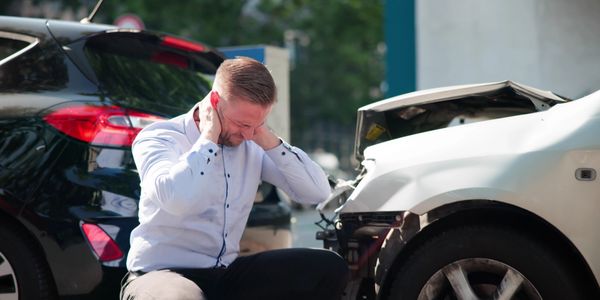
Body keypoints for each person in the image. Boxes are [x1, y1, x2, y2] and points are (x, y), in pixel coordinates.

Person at [120, 57, 349, 300]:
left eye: (258, 123)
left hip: (225, 273)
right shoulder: (159, 137)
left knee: (327, 267)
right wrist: (208, 138)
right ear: (215, 102)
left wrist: (267, 138)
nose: (249, 133)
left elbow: (316, 192)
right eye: (242, 123)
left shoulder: (251, 140)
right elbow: (177, 199)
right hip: (161, 275)